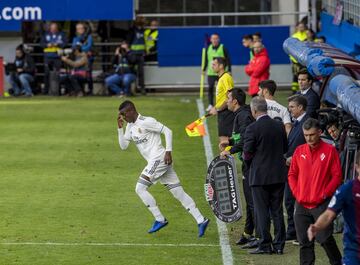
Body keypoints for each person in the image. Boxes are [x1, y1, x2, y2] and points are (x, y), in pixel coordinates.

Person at [117, 100, 210, 236]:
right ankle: (201, 220)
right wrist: (120, 128)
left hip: (159, 158)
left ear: (131, 111)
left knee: (140, 188)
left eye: (124, 115)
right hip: (157, 162)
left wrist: (168, 151)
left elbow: (168, 131)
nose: (124, 118)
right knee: (178, 192)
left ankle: (160, 219)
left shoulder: (147, 121)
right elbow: (123, 146)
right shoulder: (130, 126)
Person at [288, 118, 342, 265]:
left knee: (325, 239)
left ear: (319, 132)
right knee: (304, 242)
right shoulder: (299, 151)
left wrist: (325, 194)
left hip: (321, 205)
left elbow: (337, 176)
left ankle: (338, 262)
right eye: (306, 135)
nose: (309, 138)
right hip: (301, 205)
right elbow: (292, 174)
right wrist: (296, 192)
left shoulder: (330, 151)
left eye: (312, 134)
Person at [243, 97, 287, 255]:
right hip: (278, 174)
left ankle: (265, 244)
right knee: (277, 210)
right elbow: (285, 148)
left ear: (254, 111)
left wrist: (249, 166)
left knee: (262, 211)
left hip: (259, 176)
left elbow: (247, 153)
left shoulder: (252, 128)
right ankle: (280, 245)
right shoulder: (279, 126)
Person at [307, 151, 360, 265]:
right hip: (354, 250)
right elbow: (328, 214)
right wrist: (317, 226)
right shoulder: (347, 189)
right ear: (357, 167)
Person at [219, 88, 256, 246]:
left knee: (252, 201)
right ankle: (249, 233)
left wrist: (230, 150)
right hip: (248, 162)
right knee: (250, 200)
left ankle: (257, 235)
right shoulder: (241, 114)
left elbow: (248, 139)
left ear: (235, 101)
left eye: (228, 99)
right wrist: (231, 142)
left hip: (252, 164)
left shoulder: (244, 116)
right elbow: (241, 137)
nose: (226, 101)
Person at [284, 95, 309, 241]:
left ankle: (300, 232)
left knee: (297, 202)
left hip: (301, 170)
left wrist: (295, 159)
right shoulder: (297, 123)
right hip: (292, 169)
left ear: (300, 107)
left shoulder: (307, 123)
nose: (290, 109)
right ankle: (293, 231)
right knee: (289, 201)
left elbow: (309, 146)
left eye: (292, 107)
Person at [208, 57, 235, 148]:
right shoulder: (221, 78)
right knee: (223, 143)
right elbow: (222, 97)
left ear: (221, 66)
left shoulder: (226, 78)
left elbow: (230, 96)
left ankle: (226, 162)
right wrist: (215, 107)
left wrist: (218, 109)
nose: (212, 66)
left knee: (224, 142)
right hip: (222, 112)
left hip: (226, 113)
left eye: (214, 64)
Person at [202, 33, 232, 111]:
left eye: (216, 38)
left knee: (222, 89)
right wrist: (204, 69)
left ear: (218, 39)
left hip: (221, 73)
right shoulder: (208, 48)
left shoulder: (223, 47)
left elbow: (228, 59)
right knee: (210, 88)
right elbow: (206, 59)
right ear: (211, 40)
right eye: (213, 38)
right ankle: (211, 104)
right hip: (211, 72)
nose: (214, 40)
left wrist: (229, 70)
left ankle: (223, 104)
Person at [40, 22, 67, 94]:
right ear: (50, 28)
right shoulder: (46, 34)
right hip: (48, 57)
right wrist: (47, 45)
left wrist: (58, 44)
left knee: (58, 74)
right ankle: (46, 91)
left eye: (54, 28)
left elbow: (65, 43)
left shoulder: (62, 34)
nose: (53, 30)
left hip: (58, 57)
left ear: (57, 28)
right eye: (52, 28)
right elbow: (41, 44)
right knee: (47, 74)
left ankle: (58, 91)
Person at [127, 16, 146, 94]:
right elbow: (129, 41)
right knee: (132, 71)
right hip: (133, 54)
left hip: (140, 54)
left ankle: (141, 88)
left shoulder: (143, 31)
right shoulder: (132, 30)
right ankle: (131, 89)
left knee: (141, 72)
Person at [290, 21, 307, 93]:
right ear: (297, 27)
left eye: (302, 26)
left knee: (303, 75)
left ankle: (302, 89)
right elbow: (291, 48)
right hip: (296, 60)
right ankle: (294, 91)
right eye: (300, 26)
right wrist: (293, 59)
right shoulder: (294, 36)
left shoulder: (307, 35)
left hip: (304, 59)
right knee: (295, 75)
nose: (301, 28)